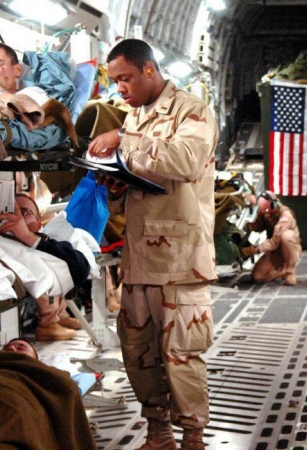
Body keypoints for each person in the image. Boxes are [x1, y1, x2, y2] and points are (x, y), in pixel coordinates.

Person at [87, 38, 216, 450]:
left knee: (182, 356)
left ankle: (193, 437)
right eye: (114, 81)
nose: (120, 88)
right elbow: (141, 181)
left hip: (180, 262)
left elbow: (186, 161)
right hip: (139, 259)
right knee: (139, 353)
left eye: (125, 78)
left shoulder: (191, 110)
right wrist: (115, 185)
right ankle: (158, 434)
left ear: (149, 69)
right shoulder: (134, 117)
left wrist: (124, 139)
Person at [0, 193, 88, 341]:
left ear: (38, 224)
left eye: (24, 212)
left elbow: (80, 268)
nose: (16, 217)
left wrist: (27, 237)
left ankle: (52, 320)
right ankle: (51, 321)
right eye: (9, 211)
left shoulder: (45, 243)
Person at [241, 191, 301, 285]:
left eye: (266, 210)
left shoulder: (285, 216)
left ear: (274, 205)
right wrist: (250, 226)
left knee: (286, 236)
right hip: (274, 251)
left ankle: (289, 270)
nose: (264, 212)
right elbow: (259, 226)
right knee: (257, 277)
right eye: (262, 209)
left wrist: (253, 250)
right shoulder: (264, 211)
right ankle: (282, 271)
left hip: (288, 248)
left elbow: (274, 243)